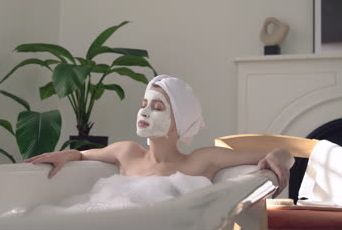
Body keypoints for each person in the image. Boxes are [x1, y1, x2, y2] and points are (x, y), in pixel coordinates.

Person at [24, 75, 294, 198]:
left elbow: (282, 152)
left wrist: (278, 158)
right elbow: (82, 154)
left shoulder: (201, 162)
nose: (145, 112)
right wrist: (65, 154)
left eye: (157, 107)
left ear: (181, 122)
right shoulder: (126, 153)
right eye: (144, 104)